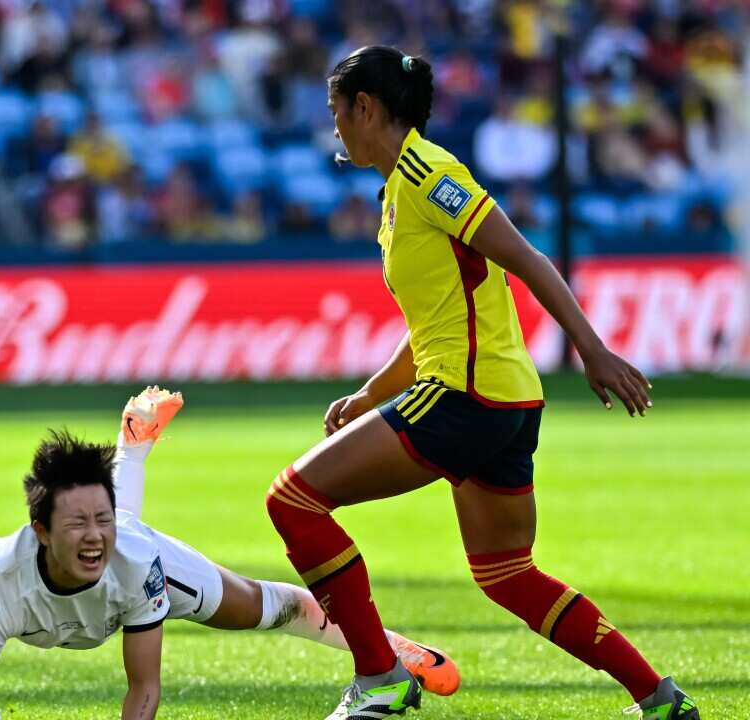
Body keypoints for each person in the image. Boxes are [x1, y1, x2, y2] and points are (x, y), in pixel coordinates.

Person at [262, 47, 699, 720]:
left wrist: (593, 350)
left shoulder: (429, 174)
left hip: (466, 397)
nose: (335, 128)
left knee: (293, 502)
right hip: (504, 399)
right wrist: (371, 395)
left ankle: (378, 675)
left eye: (336, 113)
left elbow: (525, 256)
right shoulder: (398, 192)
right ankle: (658, 696)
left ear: (367, 109)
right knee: (506, 574)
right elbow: (441, 319)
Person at [0, 387, 461, 720]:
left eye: (96, 520)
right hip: (102, 571)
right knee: (118, 525)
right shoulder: (4, 581)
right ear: (41, 532)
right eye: (74, 524)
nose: (91, 535)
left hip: (143, 574)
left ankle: (384, 651)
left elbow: (144, 689)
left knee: (273, 609)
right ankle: (132, 446)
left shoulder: (140, 565)